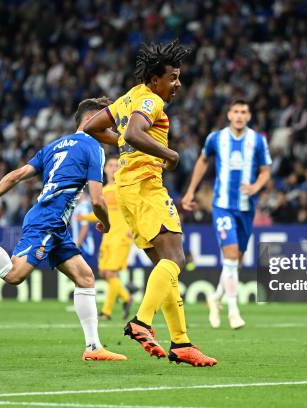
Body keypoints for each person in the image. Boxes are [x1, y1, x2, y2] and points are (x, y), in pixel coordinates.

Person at [0, 97, 126, 361]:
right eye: (107, 124)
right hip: (48, 220)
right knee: (13, 274)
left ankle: (93, 348)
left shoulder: (54, 146)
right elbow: (98, 199)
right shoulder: (94, 148)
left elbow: (15, 175)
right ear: (91, 121)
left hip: (55, 223)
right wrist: (106, 223)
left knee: (85, 277)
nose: (111, 131)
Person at [84, 40, 216, 367]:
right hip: (146, 186)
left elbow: (91, 126)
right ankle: (142, 321)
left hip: (127, 188)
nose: (178, 84)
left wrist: (126, 145)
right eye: (172, 77)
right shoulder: (150, 100)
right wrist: (169, 154)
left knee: (165, 266)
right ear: (155, 79)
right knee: (176, 258)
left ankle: (182, 342)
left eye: (179, 77)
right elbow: (133, 131)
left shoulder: (130, 96)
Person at [182, 100, 271, 329]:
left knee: (235, 261)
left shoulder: (257, 141)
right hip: (222, 205)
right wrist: (191, 191)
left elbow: (265, 171)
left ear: (249, 116)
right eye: (236, 112)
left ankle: (215, 298)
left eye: (244, 112)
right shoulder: (216, 138)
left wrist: (255, 187)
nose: (239, 116)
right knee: (230, 255)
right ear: (229, 115)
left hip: (246, 208)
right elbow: (202, 161)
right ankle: (233, 311)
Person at [78, 157, 134, 321]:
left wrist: (132, 229)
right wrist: (84, 218)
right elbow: (101, 213)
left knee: (110, 273)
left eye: (116, 165)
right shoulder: (104, 189)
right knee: (104, 272)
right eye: (110, 165)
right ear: (105, 169)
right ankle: (122, 300)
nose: (113, 168)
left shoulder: (124, 187)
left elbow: (133, 209)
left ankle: (112, 307)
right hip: (108, 236)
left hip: (122, 236)